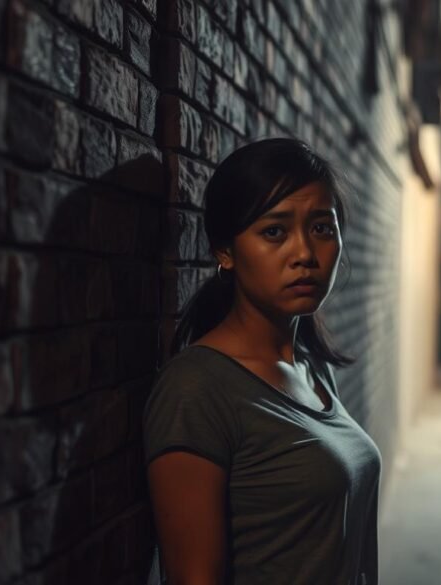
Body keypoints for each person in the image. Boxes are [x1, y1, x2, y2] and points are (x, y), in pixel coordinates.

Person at [143, 138, 382, 584]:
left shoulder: (311, 368)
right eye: (275, 232)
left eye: (321, 228)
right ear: (225, 251)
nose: (305, 254)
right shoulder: (196, 390)